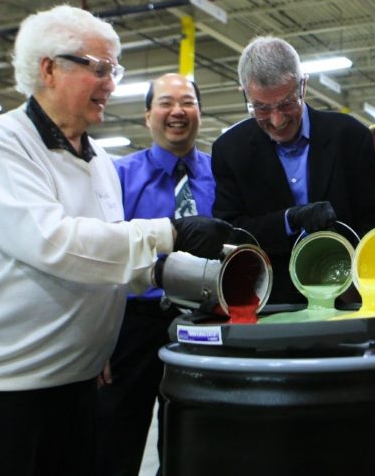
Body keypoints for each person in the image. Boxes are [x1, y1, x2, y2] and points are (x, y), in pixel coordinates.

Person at [0, 5, 231, 476]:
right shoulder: (3, 142)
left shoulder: (96, 160)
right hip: (4, 390)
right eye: (98, 68)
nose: (110, 84)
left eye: (113, 70)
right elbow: (54, 243)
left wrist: (179, 272)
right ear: (48, 68)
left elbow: (108, 264)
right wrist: (170, 231)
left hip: (75, 382)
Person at [96, 73, 214, 476]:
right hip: (133, 324)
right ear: (147, 115)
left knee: (192, 438)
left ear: (200, 112)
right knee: (115, 436)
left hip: (202, 322)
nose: (177, 111)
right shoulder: (117, 177)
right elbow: (102, 258)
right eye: (165, 102)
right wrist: (99, 340)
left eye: (187, 102)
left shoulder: (222, 176)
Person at [211, 35, 375, 304]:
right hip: (269, 300)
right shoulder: (229, 151)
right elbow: (233, 232)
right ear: (244, 93)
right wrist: (290, 219)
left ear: (303, 85)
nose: (277, 120)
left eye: (287, 103)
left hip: (345, 296)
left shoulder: (350, 137)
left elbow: (370, 221)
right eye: (261, 108)